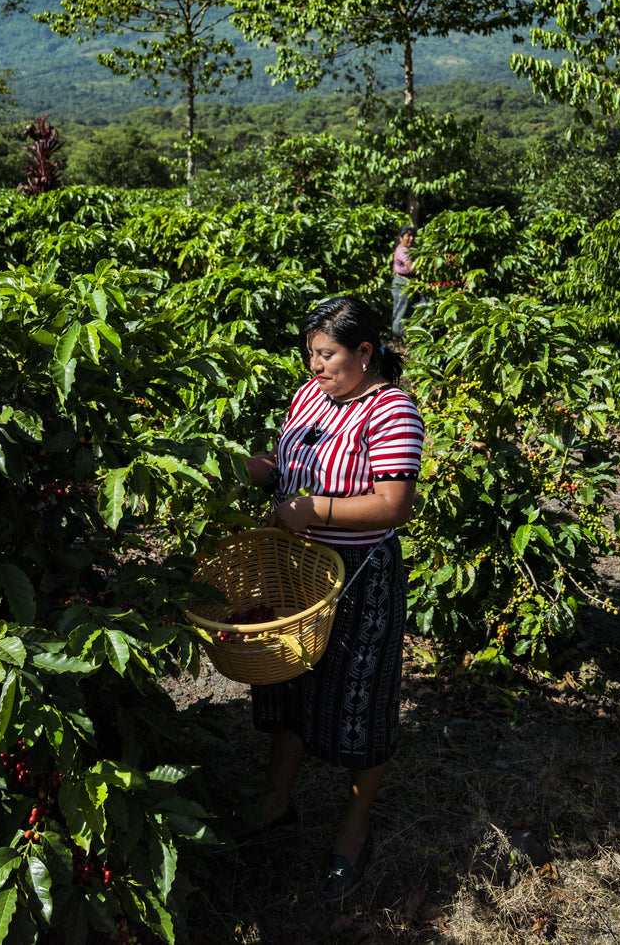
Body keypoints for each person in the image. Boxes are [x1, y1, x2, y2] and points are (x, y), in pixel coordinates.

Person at [243, 294, 424, 903]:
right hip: (294, 569)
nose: (315, 366)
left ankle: (353, 830)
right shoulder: (308, 394)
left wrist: (313, 508)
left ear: (364, 352)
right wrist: (253, 467)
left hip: (357, 574)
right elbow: (285, 459)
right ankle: (275, 801)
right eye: (310, 355)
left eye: (327, 355)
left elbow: (394, 505)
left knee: (358, 700)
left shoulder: (392, 410)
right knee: (289, 679)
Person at [391, 225, 416, 341]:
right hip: (403, 282)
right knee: (402, 309)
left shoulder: (403, 249)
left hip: (403, 282)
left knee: (402, 309)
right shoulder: (403, 250)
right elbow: (411, 268)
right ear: (401, 237)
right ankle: (398, 336)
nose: (411, 238)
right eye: (408, 235)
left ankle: (399, 337)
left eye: (412, 236)